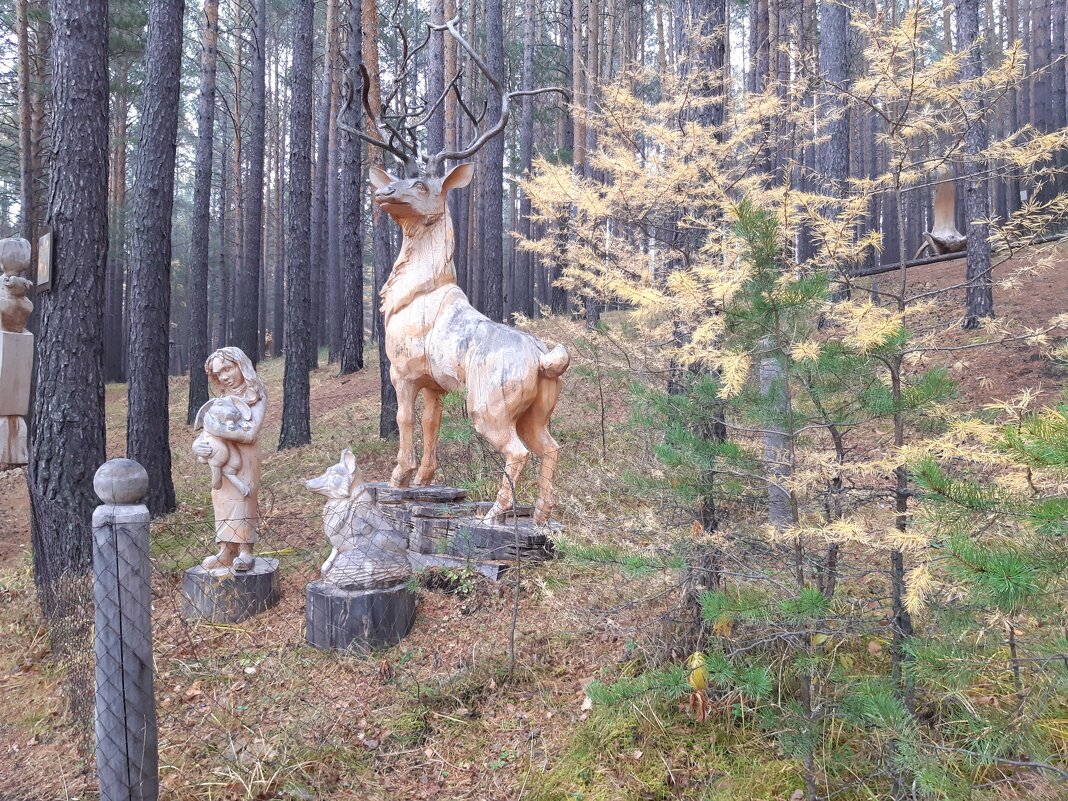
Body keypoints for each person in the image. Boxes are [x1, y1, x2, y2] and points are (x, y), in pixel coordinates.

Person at [192, 347, 267, 571]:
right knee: (221, 498)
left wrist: (215, 428)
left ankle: (245, 550)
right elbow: (206, 434)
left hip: (245, 458)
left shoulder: (256, 394)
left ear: (240, 365)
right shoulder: (222, 400)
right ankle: (226, 550)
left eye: (227, 369)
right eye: (218, 373)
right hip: (221, 462)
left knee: (243, 499)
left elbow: (250, 433)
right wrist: (199, 445)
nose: (224, 376)